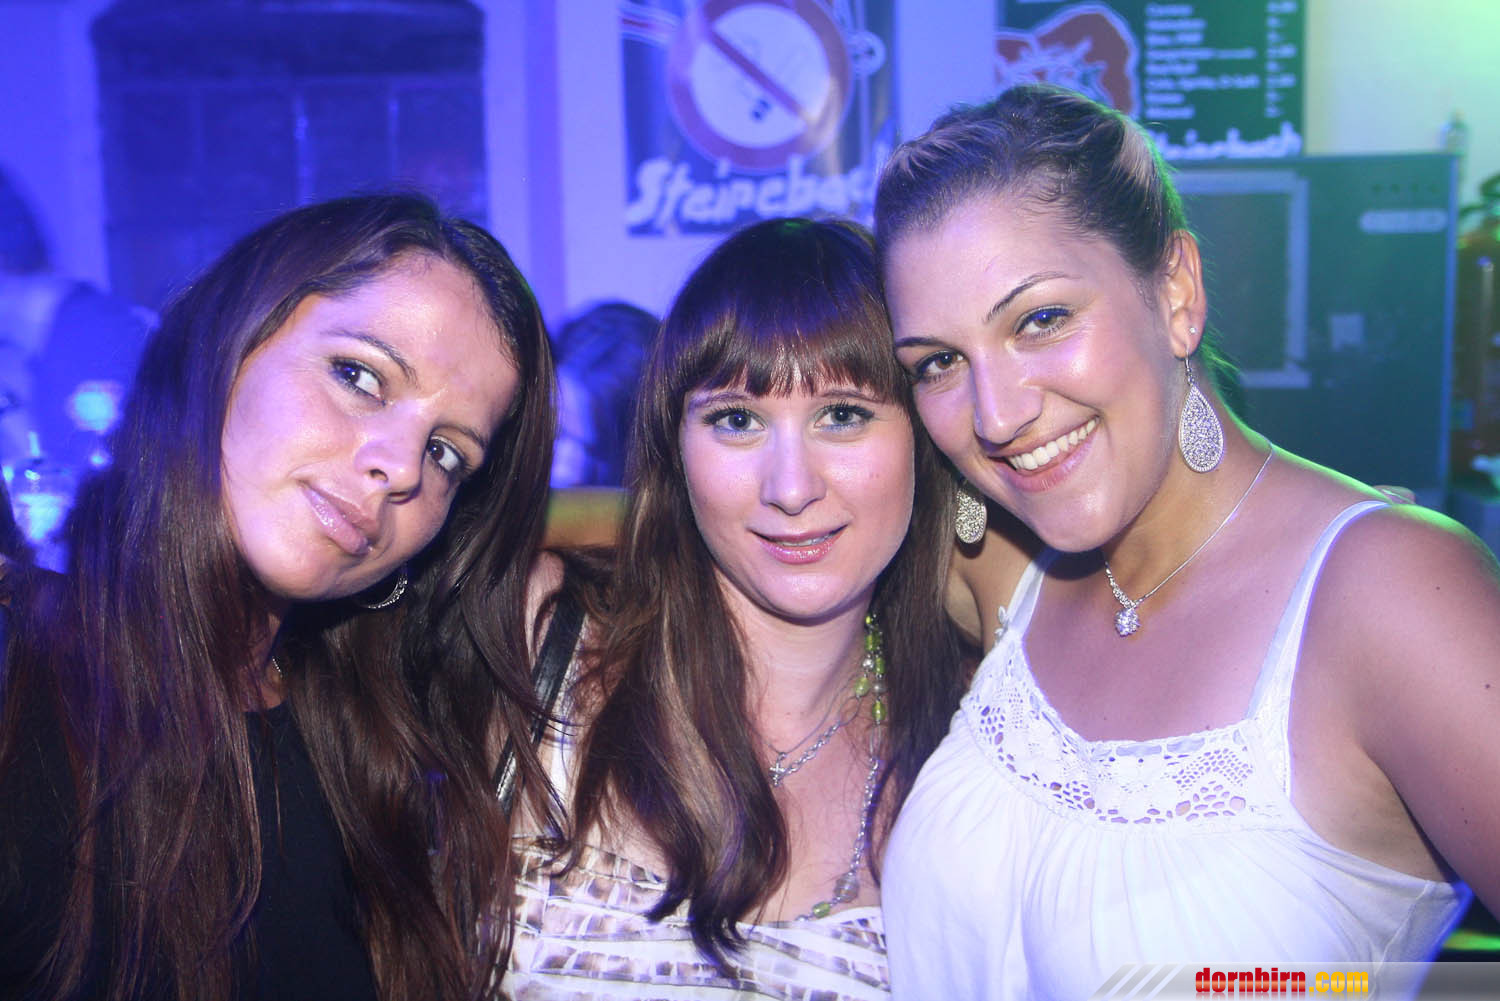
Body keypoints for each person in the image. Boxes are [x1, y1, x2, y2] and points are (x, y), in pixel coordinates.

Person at [870, 83, 1500, 999]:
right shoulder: (1002, 570)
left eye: (1040, 319)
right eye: (939, 362)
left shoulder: (1387, 593)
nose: (996, 416)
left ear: (1176, 290)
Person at [0, 193, 557, 1001]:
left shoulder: (374, 759)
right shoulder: (19, 668)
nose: (402, 466)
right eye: (359, 375)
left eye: (446, 452)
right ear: (228, 342)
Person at [501, 218, 967, 999]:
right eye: (737, 419)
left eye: (843, 414)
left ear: (924, 438)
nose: (791, 487)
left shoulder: (974, 749)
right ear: (675, 448)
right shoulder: (543, 637)